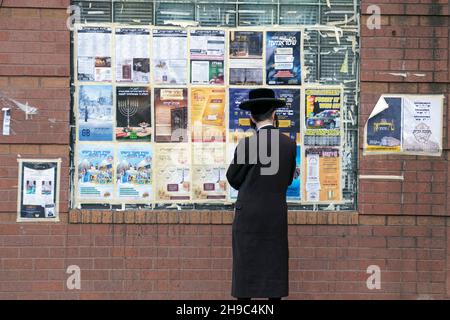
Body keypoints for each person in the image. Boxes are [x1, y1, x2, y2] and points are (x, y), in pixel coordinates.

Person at [226, 88, 297, 300]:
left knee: (246, 269)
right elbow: (287, 179)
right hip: (275, 214)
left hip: (248, 215)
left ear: (251, 116)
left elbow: (233, 178)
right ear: (274, 114)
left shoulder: (247, 144)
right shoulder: (289, 144)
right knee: (274, 266)